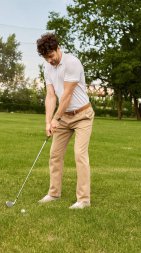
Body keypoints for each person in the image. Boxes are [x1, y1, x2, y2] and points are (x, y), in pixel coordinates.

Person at [36, 33, 94, 209]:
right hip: (64, 117)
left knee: (79, 155)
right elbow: (51, 96)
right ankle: (54, 193)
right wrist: (48, 122)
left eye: (51, 56)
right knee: (54, 155)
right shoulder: (48, 68)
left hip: (82, 115)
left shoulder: (72, 63)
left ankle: (83, 200)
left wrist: (56, 118)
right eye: (46, 58)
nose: (50, 60)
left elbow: (67, 95)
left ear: (57, 49)